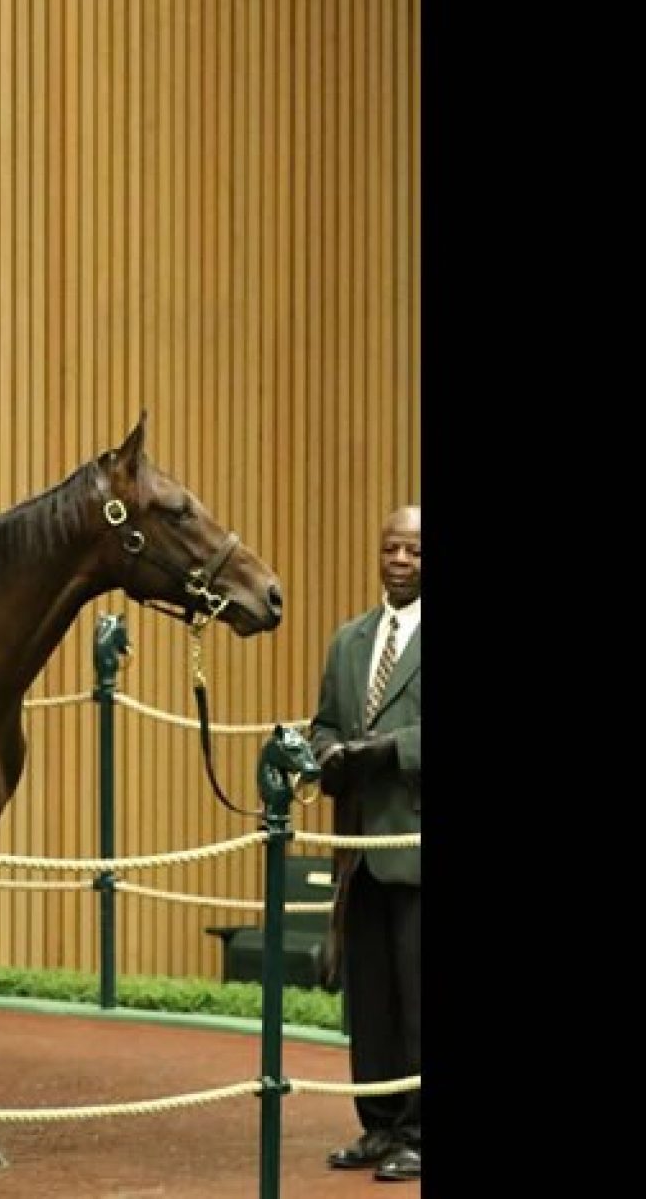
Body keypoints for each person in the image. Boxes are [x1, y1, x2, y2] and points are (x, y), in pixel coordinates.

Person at [309, 504, 421, 1182]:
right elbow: (324, 723)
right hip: (358, 851)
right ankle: (378, 1125)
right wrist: (327, 754)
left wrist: (393, 751)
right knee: (371, 996)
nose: (401, 560)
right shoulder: (349, 640)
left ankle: (419, 1130)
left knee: (417, 995)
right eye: (392, 548)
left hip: (416, 843)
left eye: (413, 549)